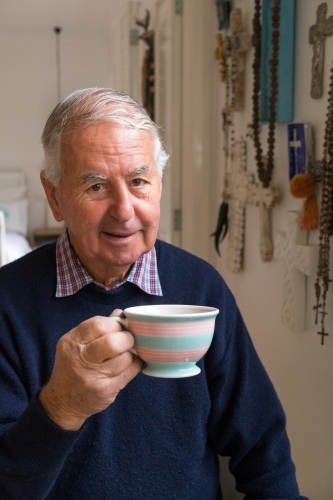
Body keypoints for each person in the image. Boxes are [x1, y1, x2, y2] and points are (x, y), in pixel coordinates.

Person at [0, 88, 307, 500]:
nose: (124, 210)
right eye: (95, 187)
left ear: (159, 185)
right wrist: (60, 407)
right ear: (54, 196)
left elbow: (264, 453)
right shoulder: (8, 303)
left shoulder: (201, 287)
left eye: (138, 181)